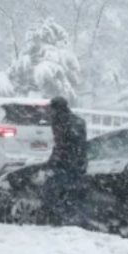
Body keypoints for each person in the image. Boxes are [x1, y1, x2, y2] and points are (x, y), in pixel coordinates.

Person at [44, 96, 87, 224]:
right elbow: (81, 144)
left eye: (51, 108)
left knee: (51, 189)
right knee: (72, 191)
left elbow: (61, 145)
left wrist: (52, 162)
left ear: (56, 108)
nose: (50, 111)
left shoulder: (59, 121)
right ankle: (72, 217)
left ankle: (61, 218)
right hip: (79, 161)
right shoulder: (78, 121)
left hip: (65, 163)